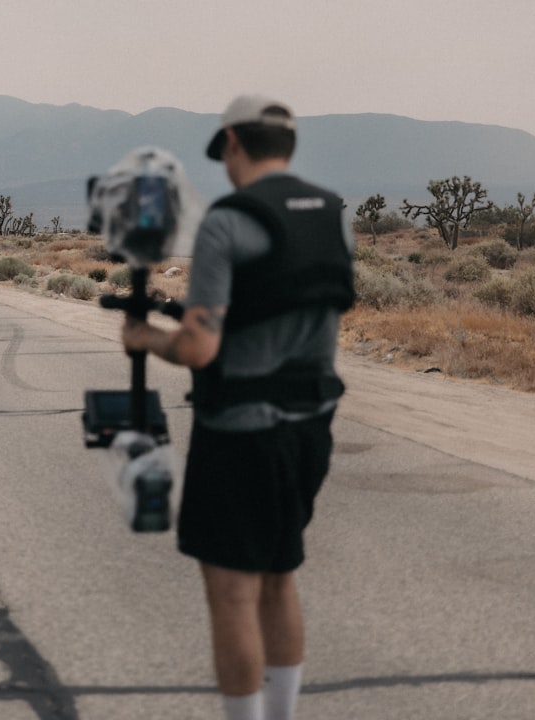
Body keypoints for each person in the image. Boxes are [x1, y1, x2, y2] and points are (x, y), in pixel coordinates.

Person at [121, 94, 354, 720]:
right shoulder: (331, 212)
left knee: (232, 593)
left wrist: (146, 337)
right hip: (311, 427)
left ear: (231, 145)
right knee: (280, 577)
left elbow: (199, 346)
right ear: (290, 145)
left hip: (240, 432)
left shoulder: (228, 220)